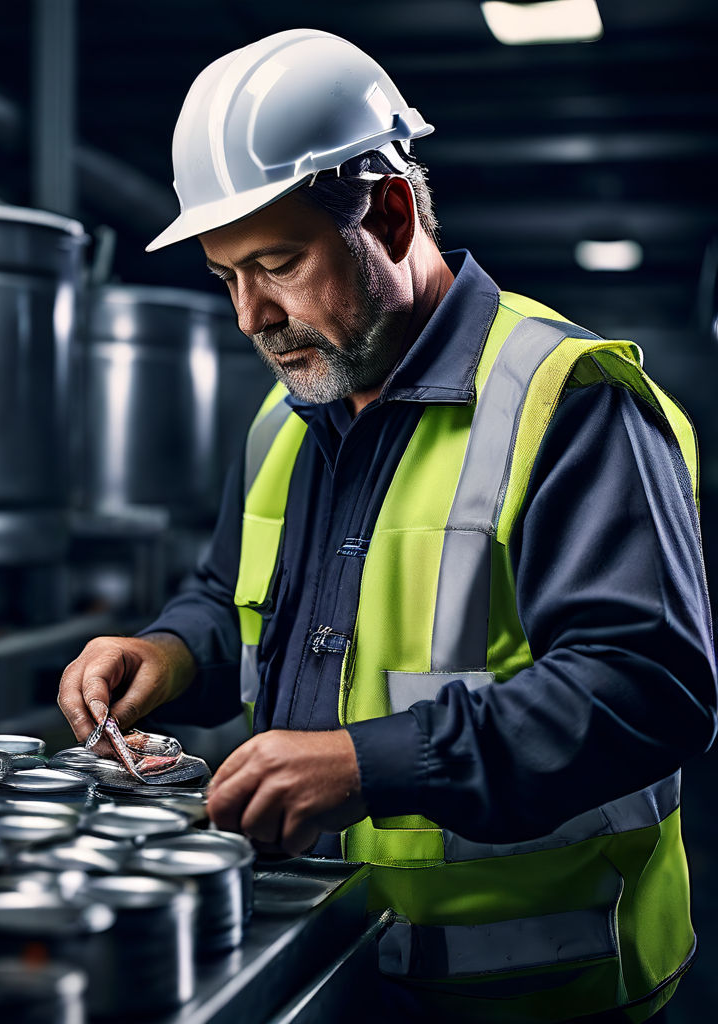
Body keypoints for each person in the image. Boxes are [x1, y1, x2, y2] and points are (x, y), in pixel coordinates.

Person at [58, 28, 717, 1023]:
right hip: (322, 956)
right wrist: (166, 652)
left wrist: (372, 763)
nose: (250, 316)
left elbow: (648, 688)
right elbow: (225, 594)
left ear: (394, 212)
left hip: (532, 987)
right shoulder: (286, 417)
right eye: (225, 275)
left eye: (276, 263)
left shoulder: (568, 401)